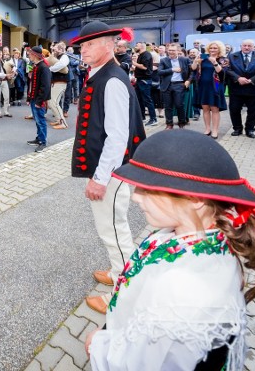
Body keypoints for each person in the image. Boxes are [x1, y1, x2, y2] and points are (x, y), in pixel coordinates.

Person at [85, 129, 255, 370]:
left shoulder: (185, 287)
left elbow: (150, 363)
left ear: (195, 199)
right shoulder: (189, 234)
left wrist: (99, 345)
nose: (136, 197)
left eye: (149, 189)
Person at [69, 21, 146, 315]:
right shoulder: (103, 74)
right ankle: (118, 273)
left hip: (112, 172)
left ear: (109, 44)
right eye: (82, 45)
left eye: (89, 44)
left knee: (113, 230)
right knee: (112, 228)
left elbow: (117, 136)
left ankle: (126, 297)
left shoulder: (112, 79)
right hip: (110, 169)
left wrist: (100, 179)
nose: (82, 49)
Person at [225, 39, 255, 138]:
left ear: (253, 47)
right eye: (245, 45)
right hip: (236, 88)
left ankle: (250, 129)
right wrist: (238, 78)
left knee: (253, 111)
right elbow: (227, 69)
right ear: (241, 46)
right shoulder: (231, 56)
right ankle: (237, 128)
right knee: (234, 110)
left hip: (254, 88)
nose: (247, 47)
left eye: (249, 46)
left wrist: (252, 80)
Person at [191, 40, 228, 139]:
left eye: (215, 48)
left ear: (219, 49)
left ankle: (215, 130)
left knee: (214, 109)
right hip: (203, 86)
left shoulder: (223, 59)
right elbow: (193, 68)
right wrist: (196, 61)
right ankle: (207, 129)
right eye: (211, 48)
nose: (212, 50)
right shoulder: (203, 58)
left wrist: (215, 62)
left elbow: (222, 73)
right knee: (205, 109)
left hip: (215, 86)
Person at [158, 43, 191, 129]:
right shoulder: (163, 60)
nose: (171, 52)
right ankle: (169, 124)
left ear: (178, 51)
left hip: (179, 84)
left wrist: (188, 81)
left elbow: (192, 72)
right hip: (167, 86)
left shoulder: (184, 60)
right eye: (169, 50)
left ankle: (182, 122)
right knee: (168, 106)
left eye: (173, 50)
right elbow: (159, 72)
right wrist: (172, 69)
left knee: (179, 105)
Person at [26, 46, 51, 152]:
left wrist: (39, 101)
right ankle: (39, 138)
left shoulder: (43, 67)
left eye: (30, 54)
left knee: (40, 120)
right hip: (34, 98)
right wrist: (29, 97)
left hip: (38, 100)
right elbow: (32, 84)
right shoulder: (36, 66)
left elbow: (45, 87)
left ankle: (43, 142)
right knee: (37, 120)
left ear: (35, 55)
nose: (29, 56)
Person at [131, 42, 157, 126]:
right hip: (140, 80)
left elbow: (144, 67)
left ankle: (153, 119)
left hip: (145, 80)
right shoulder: (141, 55)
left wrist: (133, 63)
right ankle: (142, 118)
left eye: (137, 45)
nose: (135, 47)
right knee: (139, 99)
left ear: (141, 47)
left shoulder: (146, 55)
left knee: (147, 100)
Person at [46, 42, 70, 129]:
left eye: (54, 48)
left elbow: (62, 65)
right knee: (52, 102)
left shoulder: (65, 57)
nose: (53, 50)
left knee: (54, 102)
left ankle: (63, 122)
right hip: (56, 82)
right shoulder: (58, 57)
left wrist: (50, 69)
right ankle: (58, 120)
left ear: (60, 49)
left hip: (61, 83)